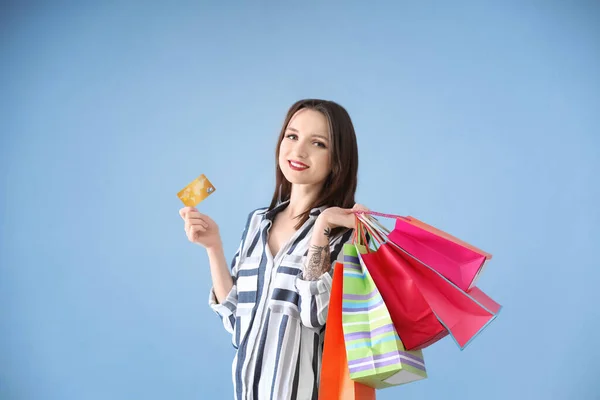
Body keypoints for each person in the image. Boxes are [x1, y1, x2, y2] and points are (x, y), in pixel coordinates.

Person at [179, 99, 368, 400]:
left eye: (317, 143)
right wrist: (213, 247)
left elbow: (315, 316)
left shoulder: (345, 234)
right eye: (292, 136)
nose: (298, 150)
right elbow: (234, 320)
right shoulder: (258, 222)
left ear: (337, 160)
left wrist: (321, 230)